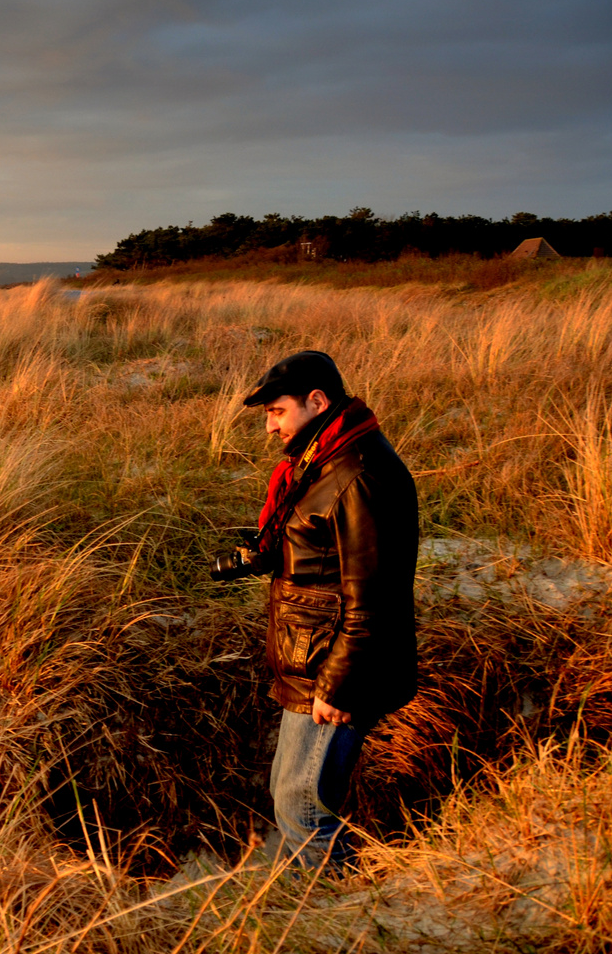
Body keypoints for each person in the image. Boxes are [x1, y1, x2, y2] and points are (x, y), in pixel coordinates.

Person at [233, 350, 419, 870]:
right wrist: (265, 554)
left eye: (277, 411)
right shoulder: (324, 457)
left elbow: (374, 597)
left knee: (301, 805)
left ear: (317, 401)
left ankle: (332, 912)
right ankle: (313, 895)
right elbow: (327, 554)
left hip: (334, 669)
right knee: (288, 791)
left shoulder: (359, 475)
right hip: (313, 655)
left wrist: (337, 686)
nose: (270, 427)